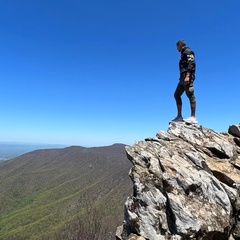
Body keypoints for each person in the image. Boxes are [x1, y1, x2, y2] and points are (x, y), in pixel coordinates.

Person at [172, 40, 197, 124]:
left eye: (177, 46)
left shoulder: (188, 51)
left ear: (180, 45)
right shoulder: (182, 54)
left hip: (187, 77)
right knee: (176, 95)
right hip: (182, 78)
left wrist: (188, 76)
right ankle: (179, 116)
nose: (176, 49)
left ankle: (193, 117)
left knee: (190, 94)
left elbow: (191, 63)